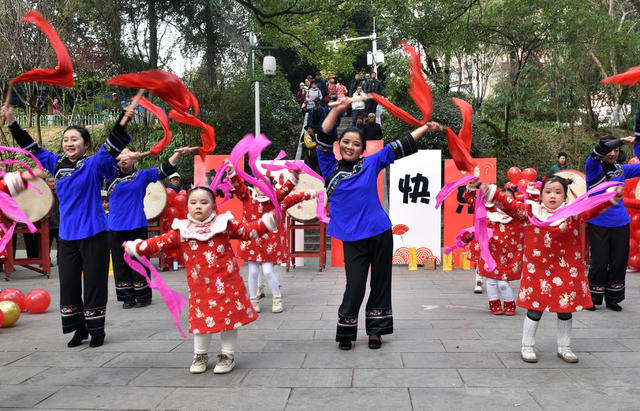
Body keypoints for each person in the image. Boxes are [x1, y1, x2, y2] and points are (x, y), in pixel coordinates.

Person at [2, 98, 135, 348]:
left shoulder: (94, 164)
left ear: (86, 145)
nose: (69, 143)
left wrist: (123, 119)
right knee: (70, 283)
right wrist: (11, 121)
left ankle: (97, 331)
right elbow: (30, 147)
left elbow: (113, 142)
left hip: (95, 232)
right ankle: (79, 330)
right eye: (66, 140)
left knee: (94, 283)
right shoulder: (55, 164)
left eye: (75, 140)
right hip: (67, 236)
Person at [318, 97, 444, 350]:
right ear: (339, 145)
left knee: (381, 282)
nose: (350, 147)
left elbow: (399, 146)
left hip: (379, 232)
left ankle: (376, 331)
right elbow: (323, 135)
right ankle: (346, 330)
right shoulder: (328, 167)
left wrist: (425, 128)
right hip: (352, 238)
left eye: (356, 144)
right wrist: (339, 110)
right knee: (354, 286)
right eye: (346, 142)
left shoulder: (370, 163)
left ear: (363, 149)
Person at [124, 186, 279, 374]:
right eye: (193, 202)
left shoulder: (224, 224)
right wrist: (137, 247)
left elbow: (247, 231)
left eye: (204, 202)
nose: (198, 206)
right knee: (200, 321)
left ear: (213, 206)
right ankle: (200, 355)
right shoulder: (182, 230)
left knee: (229, 321)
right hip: (199, 289)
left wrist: (267, 222)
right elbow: (158, 242)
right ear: (187, 206)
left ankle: (227, 355)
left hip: (228, 285)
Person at [478, 175, 623, 363]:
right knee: (534, 310)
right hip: (537, 271)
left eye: (558, 192)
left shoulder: (573, 213)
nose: (552, 196)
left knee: (565, 310)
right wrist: (487, 190)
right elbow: (508, 204)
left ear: (565, 196)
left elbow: (594, 209)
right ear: (541, 194)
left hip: (566, 270)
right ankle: (527, 345)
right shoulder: (529, 213)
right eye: (548, 192)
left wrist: (612, 197)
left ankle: (564, 347)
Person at [106, 146, 192, 309]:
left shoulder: (142, 175)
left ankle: (143, 295)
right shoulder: (108, 173)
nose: (124, 156)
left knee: (139, 259)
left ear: (135, 158)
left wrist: (177, 154)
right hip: (115, 225)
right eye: (121, 154)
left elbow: (163, 169)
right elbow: (99, 161)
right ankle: (127, 297)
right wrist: (116, 156)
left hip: (136, 224)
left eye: (128, 153)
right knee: (119, 262)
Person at [232, 167, 316, 313]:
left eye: (264, 184)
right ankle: (254, 299)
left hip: (270, 242)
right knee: (252, 272)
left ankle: (277, 298)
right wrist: (231, 173)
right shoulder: (247, 198)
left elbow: (291, 193)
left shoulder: (276, 200)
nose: (260, 187)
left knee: (269, 271)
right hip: (251, 241)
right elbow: (238, 186)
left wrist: (312, 193)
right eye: (257, 184)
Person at [585, 133, 640, 311]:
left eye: (616, 150)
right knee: (599, 262)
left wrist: (637, 144)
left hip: (620, 222)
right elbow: (597, 152)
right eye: (609, 149)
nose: (612, 153)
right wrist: (620, 141)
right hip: (598, 221)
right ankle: (592, 298)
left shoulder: (621, 169)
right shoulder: (593, 166)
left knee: (618, 262)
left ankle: (613, 298)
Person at [463, 183, 523, 315]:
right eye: (502, 200)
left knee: (503, 283)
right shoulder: (487, 212)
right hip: (490, 254)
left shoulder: (518, 217)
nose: (504, 204)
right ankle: (494, 303)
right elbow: (470, 199)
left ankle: (509, 303)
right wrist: (471, 188)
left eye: (508, 201)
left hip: (508, 257)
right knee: (490, 282)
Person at [47, 176, 60, 266]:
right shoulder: (44, 194)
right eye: (50, 182)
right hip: (48, 223)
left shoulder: (59, 193)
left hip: (59, 223)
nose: (53, 184)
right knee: (47, 244)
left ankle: (60, 259)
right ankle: (47, 260)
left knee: (61, 244)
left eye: (53, 182)